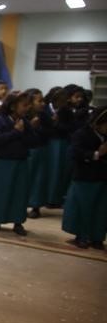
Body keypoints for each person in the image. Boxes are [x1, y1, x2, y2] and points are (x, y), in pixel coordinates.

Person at [0, 91, 35, 236]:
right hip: (3, 163)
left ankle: (18, 222)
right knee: (0, 192)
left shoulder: (25, 123)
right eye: (24, 105)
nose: (27, 108)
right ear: (13, 106)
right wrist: (15, 132)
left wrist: (28, 131)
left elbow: (33, 142)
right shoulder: (0, 121)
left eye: (28, 105)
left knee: (19, 193)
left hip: (21, 163)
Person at [62, 106, 107, 249]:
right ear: (97, 123)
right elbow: (74, 153)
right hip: (85, 178)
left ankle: (97, 237)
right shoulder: (82, 134)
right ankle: (82, 236)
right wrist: (96, 154)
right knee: (83, 208)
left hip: (103, 178)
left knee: (101, 209)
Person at [25, 88, 53, 218]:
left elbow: (50, 132)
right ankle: (21, 204)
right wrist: (30, 126)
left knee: (39, 179)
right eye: (39, 101)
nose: (43, 103)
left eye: (43, 101)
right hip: (26, 151)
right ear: (30, 102)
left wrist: (39, 128)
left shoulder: (44, 116)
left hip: (41, 150)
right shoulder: (23, 115)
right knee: (25, 179)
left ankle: (36, 206)